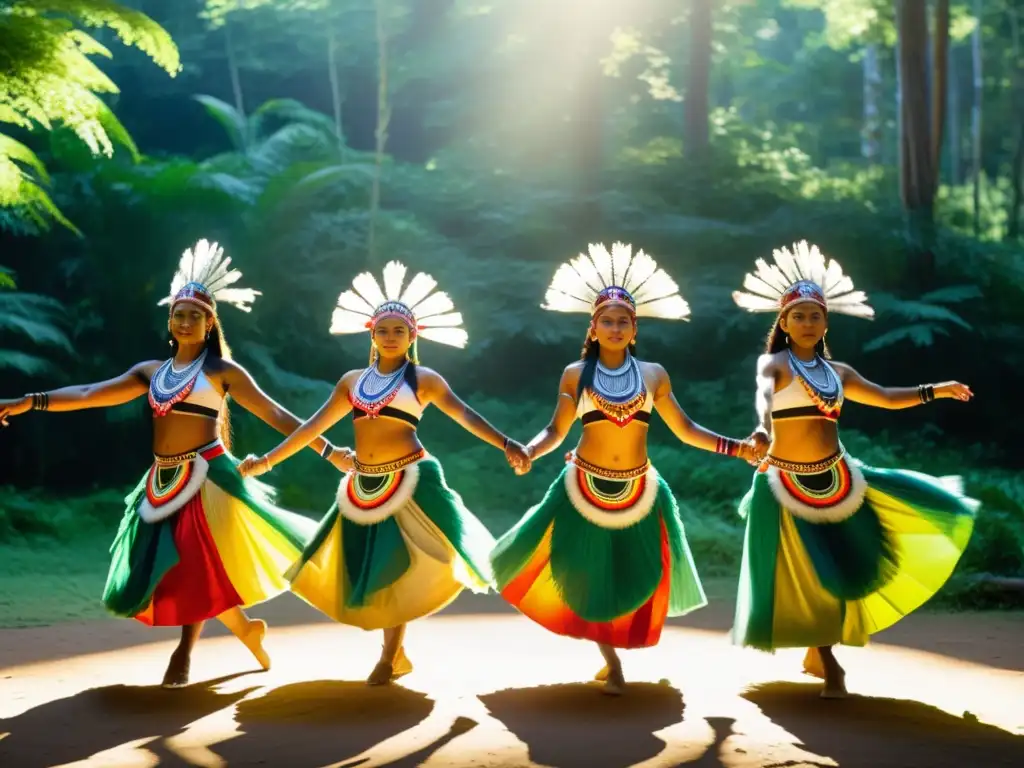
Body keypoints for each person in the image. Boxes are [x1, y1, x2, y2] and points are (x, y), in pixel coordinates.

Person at [0, 240, 343, 688]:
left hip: (209, 476)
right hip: (161, 479)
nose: (185, 321)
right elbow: (87, 394)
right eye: (179, 314)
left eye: (195, 315)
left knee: (194, 564)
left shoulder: (223, 373)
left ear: (210, 323)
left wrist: (331, 451)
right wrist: (27, 402)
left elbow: (278, 416)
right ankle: (247, 629)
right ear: (169, 322)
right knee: (180, 568)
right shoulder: (150, 372)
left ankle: (183, 654)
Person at [238, 260, 531, 685]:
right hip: (363, 484)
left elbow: (464, 414)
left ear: (413, 337)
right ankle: (396, 654)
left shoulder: (425, 380)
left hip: (412, 481)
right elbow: (311, 429)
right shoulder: (351, 382)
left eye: (399, 330)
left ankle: (388, 655)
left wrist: (507, 443)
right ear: (371, 335)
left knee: (401, 566)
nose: (390, 337)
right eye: (383, 330)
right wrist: (267, 461)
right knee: (366, 570)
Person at [490, 242, 761, 695]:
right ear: (593, 328)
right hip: (582, 487)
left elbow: (685, 428)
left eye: (623, 321)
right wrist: (530, 452)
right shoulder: (575, 374)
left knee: (636, 576)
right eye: (607, 321)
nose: (615, 328)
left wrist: (737, 449)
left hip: (640, 490)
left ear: (634, 330)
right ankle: (611, 662)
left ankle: (613, 651)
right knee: (584, 575)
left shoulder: (654, 374)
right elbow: (556, 430)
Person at [731, 239, 978, 698]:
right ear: (783, 322)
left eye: (815, 315)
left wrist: (935, 390)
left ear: (826, 322)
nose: (807, 323)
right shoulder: (774, 366)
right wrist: (761, 433)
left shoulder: (838, 372)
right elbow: (763, 406)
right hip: (783, 481)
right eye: (798, 316)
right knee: (809, 574)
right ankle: (830, 662)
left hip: (840, 477)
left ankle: (816, 649)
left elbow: (884, 396)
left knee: (843, 570)